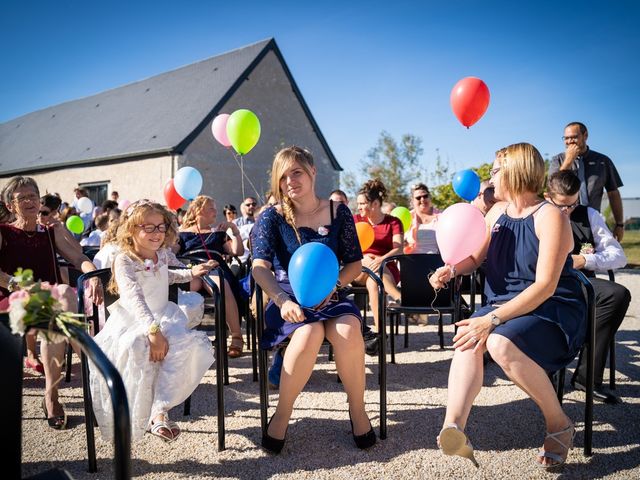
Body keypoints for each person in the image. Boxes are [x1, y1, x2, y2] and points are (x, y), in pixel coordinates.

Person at [429, 143, 586, 468]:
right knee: (466, 339)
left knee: (498, 341)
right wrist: (453, 269)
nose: (491, 177)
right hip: (502, 306)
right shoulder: (497, 213)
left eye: (496, 170)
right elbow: (476, 258)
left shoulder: (551, 216)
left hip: (549, 310)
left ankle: (559, 423)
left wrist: (492, 320)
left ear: (516, 172)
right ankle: (453, 426)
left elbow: (545, 286)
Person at [252, 146, 375, 453]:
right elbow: (259, 268)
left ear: (312, 172)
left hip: (331, 292)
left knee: (348, 330)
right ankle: (282, 416)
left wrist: (333, 285)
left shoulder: (338, 211)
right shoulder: (272, 216)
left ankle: (357, 410)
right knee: (308, 333)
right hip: (287, 296)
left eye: (297, 172)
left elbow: (354, 264)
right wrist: (282, 301)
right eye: (283, 177)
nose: (290, 181)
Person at [89, 200, 215, 442]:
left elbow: (166, 275)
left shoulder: (161, 255)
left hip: (163, 314)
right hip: (135, 318)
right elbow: (133, 297)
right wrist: (153, 330)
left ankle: (159, 411)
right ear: (132, 229)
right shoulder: (124, 260)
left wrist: (191, 273)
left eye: (161, 226)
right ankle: (142, 413)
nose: (157, 233)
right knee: (139, 346)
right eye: (148, 227)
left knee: (183, 345)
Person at [1, 176, 103, 430]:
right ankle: (96, 372)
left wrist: (92, 277)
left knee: (60, 303)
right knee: (62, 300)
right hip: (11, 299)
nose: (30, 201)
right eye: (22, 197)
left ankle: (52, 396)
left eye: (33, 196)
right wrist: (18, 284)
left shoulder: (50, 232)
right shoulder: (3, 232)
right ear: (10, 205)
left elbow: (79, 258)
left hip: (49, 303)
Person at [546, 170, 630, 404]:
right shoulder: (537, 214)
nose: (567, 212)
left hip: (581, 281)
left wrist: (585, 260)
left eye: (572, 205)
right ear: (547, 196)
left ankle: (587, 377)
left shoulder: (589, 215)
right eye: (561, 206)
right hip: (543, 283)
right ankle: (546, 374)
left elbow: (617, 256)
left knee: (617, 295)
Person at [177, 195, 245, 357]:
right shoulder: (181, 233)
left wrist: (234, 231)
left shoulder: (218, 233)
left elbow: (237, 252)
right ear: (199, 210)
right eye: (211, 208)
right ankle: (179, 338)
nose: (216, 211)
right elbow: (172, 252)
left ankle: (236, 335)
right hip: (190, 268)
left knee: (220, 286)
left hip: (213, 268)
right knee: (177, 292)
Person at [549, 122, 625, 241]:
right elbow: (553, 189)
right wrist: (568, 161)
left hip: (593, 221)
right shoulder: (557, 160)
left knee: (595, 257)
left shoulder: (603, 161)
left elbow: (613, 193)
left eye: (574, 137)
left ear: (585, 136)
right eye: (566, 138)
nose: (570, 141)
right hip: (565, 220)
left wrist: (619, 224)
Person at [352, 179, 403, 354]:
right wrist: (366, 257)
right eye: (357, 203)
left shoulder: (393, 222)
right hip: (358, 269)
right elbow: (348, 248)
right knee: (367, 260)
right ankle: (399, 297)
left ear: (375, 204)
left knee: (374, 283)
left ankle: (381, 336)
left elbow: (399, 249)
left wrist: (381, 259)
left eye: (362, 203)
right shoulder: (355, 220)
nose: (358, 207)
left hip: (386, 269)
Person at [404, 183, 438, 254]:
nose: (422, 199)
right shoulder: (407, 217)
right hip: (411, 261)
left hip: (437, 261)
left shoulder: (442, 216)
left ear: (429, 197)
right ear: (412, 201)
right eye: (418, 198)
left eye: (425, 196)